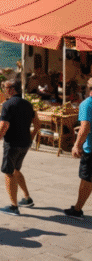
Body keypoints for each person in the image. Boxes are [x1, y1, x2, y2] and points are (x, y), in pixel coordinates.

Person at [0, 78, 37, 216]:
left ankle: (13, 206)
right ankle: (27, 198)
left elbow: (3, 126)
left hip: (12, 144)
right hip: (25, 143)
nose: (4, 91)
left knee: (9, 172)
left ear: (11, 90)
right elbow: (38, 124)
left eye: (5, 88)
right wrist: (31, 137)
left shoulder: (7, 105)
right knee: (16, 170)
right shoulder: (28, 104)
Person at [66, 78, 92, 218]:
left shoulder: (87, 104)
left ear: (88, 88)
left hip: (90, 149)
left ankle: (77, 209)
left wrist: (77, 145)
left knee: (87, 179)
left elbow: (85, 127)